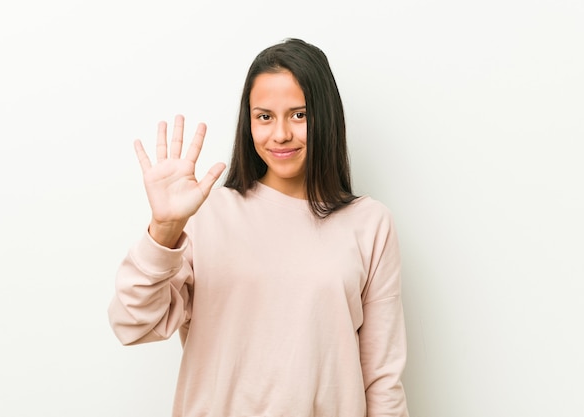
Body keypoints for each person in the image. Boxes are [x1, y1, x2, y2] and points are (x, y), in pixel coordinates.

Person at [108, 38, 409, 417]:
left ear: (326, 116)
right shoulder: (205, 214)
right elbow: (131, 324)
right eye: (264, 116)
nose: (280, 133)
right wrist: (164, 229)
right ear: (248, 121)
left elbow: (381, 381)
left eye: (299, 115)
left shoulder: (370, 224)